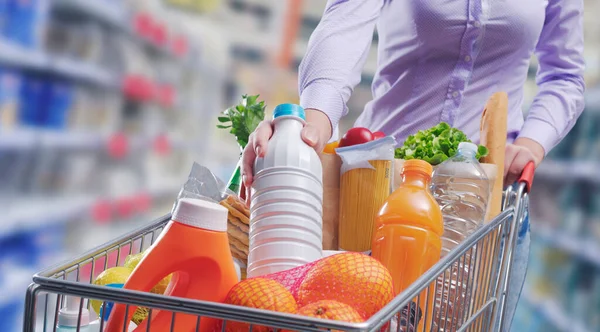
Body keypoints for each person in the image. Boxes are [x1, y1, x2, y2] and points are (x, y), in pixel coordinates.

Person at [241, 1, 585, 331]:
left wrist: (530, 144)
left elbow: (566, 75)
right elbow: (344, 24)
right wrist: (312, 123)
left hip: (483, 207)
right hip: (380, 195)